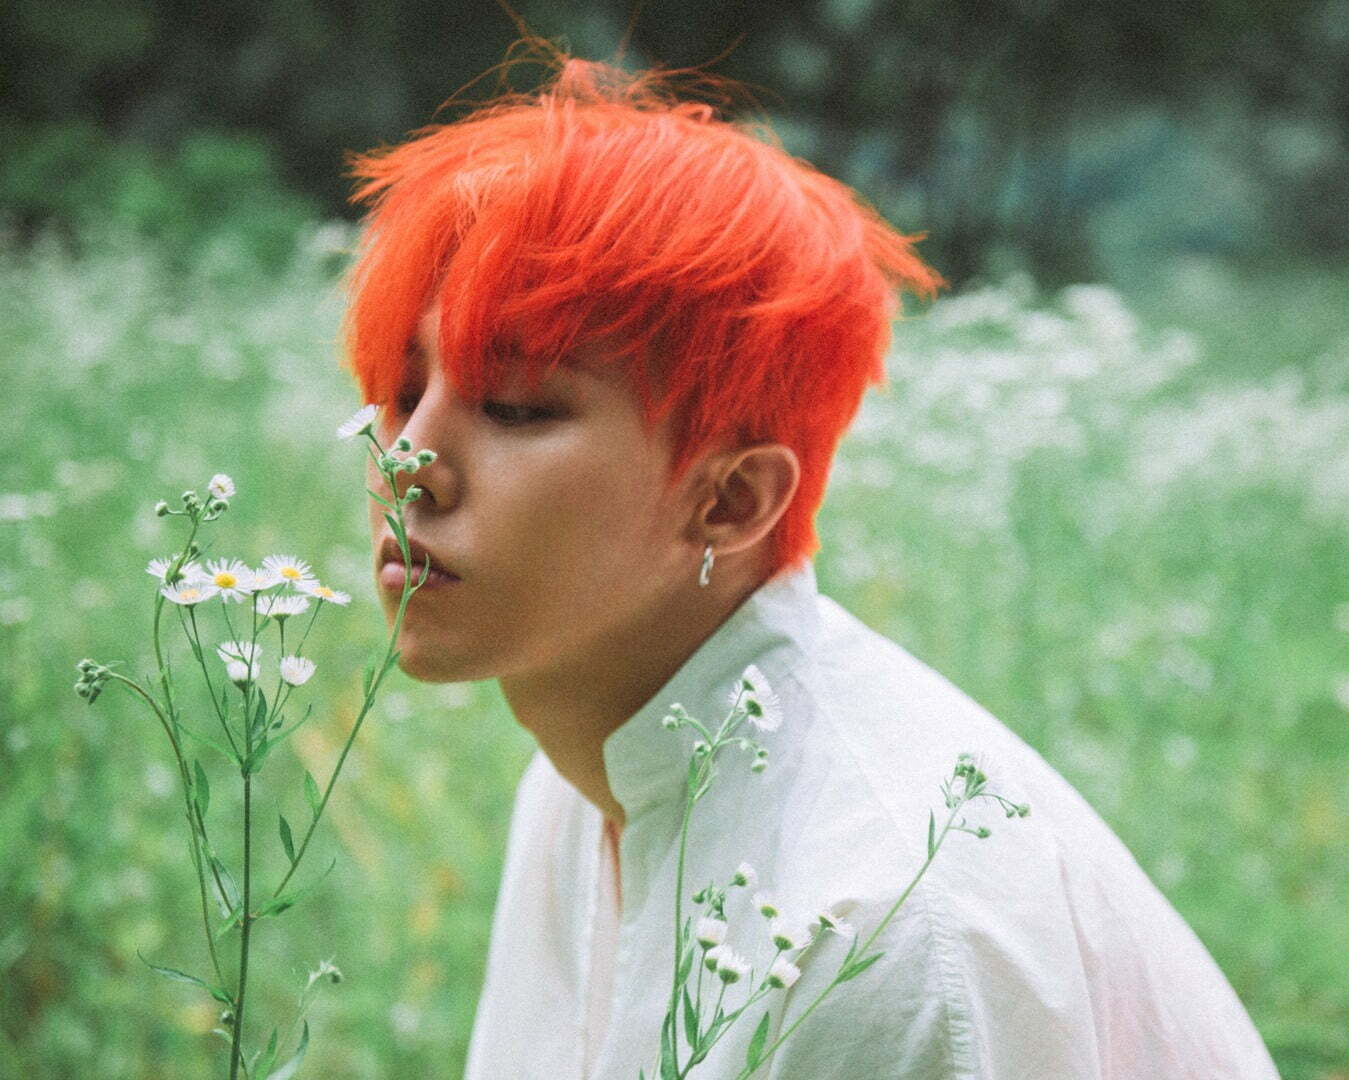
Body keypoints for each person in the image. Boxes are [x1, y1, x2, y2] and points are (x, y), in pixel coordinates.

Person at [339, 44, 1280, 1080]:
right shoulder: (582, 775)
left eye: (516, 406)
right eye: (401, 391)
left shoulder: (875, 932)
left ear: (731, 501)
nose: (408, 463)